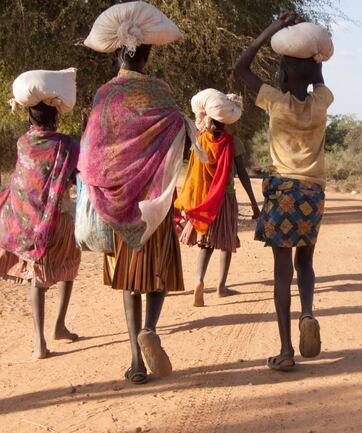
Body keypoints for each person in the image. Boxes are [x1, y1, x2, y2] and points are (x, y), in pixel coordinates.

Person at [79, 33, 199, 382]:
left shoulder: (105, 94)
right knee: (156, 274)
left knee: (130, 281)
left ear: (119, 53)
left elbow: (92, 148)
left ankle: (135, 360)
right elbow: (178, 127)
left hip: (120, 203)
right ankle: (150, 328)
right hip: (155, 203)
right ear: (147, 55)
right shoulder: (159, 91)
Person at [235, 12, 333, 371]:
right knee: (305, 262)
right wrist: (314, 47)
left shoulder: (274, 101)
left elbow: (240, 66)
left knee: (281, 273)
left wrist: (273, 28)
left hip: (282, 193)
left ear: (282, 75)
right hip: (312, 192)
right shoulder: (321, 102)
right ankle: (307, 313)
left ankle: (286, 350)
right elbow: (317, 75)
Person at [0, 84, 81, 359]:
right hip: (61, 218)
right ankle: (59, 325)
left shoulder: (23, 142)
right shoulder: (67, 144)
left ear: (29, 119)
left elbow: (24, 181)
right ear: (55, 117)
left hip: (32, 223)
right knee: (68, 268)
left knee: (39, 276)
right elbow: (73, 175)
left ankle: (39, 341)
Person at [175, 90, 260, 307]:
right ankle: (221, 287)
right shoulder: (233, 142)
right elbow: (242, 174)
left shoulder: (200, 140)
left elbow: (193, 172)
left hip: (205, 199)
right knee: (226, 242)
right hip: (225, 198)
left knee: (206, 243)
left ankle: (199, 281)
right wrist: (253, 203)